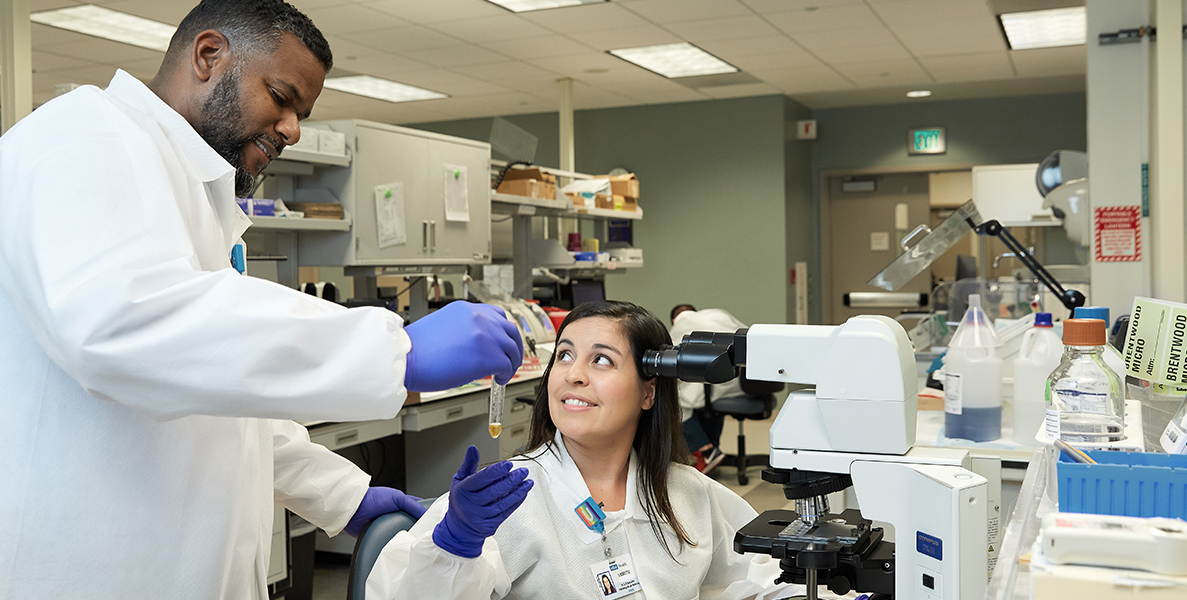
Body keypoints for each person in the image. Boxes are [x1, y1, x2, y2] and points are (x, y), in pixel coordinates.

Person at [0, 1, 526, 598]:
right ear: (208, 56)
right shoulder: (85, 137)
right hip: (93, 572)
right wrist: (396, 349)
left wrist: (341, 495)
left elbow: (219, 403)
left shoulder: (194, 192)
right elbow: (122, 327)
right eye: (281, 96)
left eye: (301, 112)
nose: (292, 129)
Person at [365, 301, 801, 599]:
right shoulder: (507, 497)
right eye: (565, 355)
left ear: (648, 393)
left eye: (602, 360)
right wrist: (455, 544)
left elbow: (766, 577)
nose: (573, 375)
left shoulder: (686, 492)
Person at [670, 304, 748, 473]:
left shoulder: (680, 325)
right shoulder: (720, 314)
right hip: (744, 382)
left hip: (715, 384)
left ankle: (706, 450)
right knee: (703, 398)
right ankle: (711, 449)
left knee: (672, 399)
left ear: (674, 319)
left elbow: (672, 359)